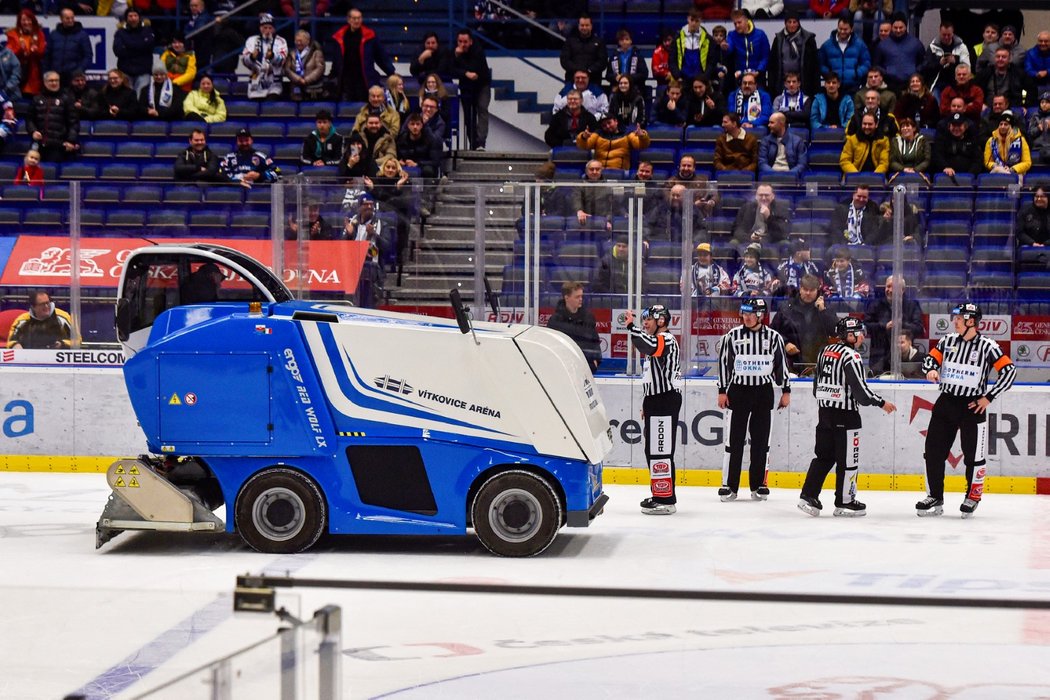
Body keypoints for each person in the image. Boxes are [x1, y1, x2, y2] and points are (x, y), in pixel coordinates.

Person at [919, 302, 1016, 518]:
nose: (955, 321)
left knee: (973, 456)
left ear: (971, 321)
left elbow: (1009, 372)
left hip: (972, 406)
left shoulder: (988, 346)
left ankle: (972, 497)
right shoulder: (947, 341)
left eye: (959, 318)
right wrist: (931, 370)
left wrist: (988, 397)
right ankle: (934, 496)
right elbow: (929, 359)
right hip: (946, 403)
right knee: (933, 451)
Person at [797, 316, 896, 517]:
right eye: (858, 332)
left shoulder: (825, 351)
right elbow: (861, 392)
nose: (862, 336)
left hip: (824, 413)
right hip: (846, 416)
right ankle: (845, 502)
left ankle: (808, 496)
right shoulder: (852, 357)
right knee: (848, 460)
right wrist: (881, 402)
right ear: (849, 335)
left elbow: (817, 387)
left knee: (823, 457)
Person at [716, 296, 790, 502]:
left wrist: (786, 390)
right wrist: (722, 390)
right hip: (738, 392)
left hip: (763, 392)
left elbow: (781, 365)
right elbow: (725, 364)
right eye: (744, 313)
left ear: (760, 315)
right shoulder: (732, 335)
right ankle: (729, 485)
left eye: (750, 314)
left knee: (761, 441)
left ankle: (758, 484)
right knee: (734, 441)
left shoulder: (774, 337)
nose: (746, 317)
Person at [624, 304, 682, 515]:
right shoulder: (656, 340)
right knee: (654, 449)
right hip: (656, 400)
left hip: (665, 400)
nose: (645, 323)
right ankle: (660, 494)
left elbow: (647, 345)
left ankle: (665, 499)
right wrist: (646, 403)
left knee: (660, 449)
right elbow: (650, 375)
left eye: (648, 319)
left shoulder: (666, 339)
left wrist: (631, 327)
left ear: (661, 321)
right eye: (643, 320)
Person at [771, 272, 838, 372]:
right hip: (791, 363)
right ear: (800, 289)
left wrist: (823, 311)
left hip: (819, 364)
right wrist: (785, 343)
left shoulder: (826, 307)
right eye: (805, 289)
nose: (808, 293)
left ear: (817, 290)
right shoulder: (786, 307)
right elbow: (772, 332)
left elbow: (835, 332)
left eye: (811, 290)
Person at [863, 275, 924, 375]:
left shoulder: (912, 305)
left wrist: (902, 325)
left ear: (902, 290)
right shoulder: (875, 305)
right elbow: (865, 327)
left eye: (894, 287)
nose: (890, 290)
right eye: (888, 286)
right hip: (879, 357)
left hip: (905, 359)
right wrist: (884, 326)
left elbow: (919, 329)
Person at [332, 7, 393, 102]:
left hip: (365, 80)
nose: (357, 21)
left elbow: (380, 56)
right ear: (348, 20)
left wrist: (391, 72)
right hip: (346, 80)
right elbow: (337, 59)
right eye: (354, 18)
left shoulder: (370, 36)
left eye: (359, 18)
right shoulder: (339, 36)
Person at [547, 281, 601, 372]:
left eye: (581, 296)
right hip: (563, 367)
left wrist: (596, 361)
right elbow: (551, 345)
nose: (580, 299)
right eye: (577, 297)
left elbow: (594, 341)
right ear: (567, 298)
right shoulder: (555, 321)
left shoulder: (588, 317)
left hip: (586, 366)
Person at [452, 29, 491, 151]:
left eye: (465, 42)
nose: (462, 45)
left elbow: (475, 70)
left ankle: (481, 142)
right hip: (466, 86)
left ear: (471, 42)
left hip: (482, 85)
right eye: (460, 41)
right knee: (469, 116)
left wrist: (462, 68)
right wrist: (465, 72)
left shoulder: (478, 51)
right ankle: (473, 144)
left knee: (482, 108)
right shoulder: (455, 52)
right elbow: (451, 69)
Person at [27, 71, 78, 162]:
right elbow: (29, 119)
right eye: (51, 81)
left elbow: (73, 122)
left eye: (56, 80)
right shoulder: (37, 99)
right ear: (45, 82)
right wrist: (33, 131)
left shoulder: (66, 99)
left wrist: (71, 140)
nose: (54, 83)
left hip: (58, 146)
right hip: (39, 145)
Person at [768, 11, 819, 98]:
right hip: (782, 84)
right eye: (789, 22)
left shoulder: (808, 39)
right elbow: (773, 65)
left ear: (799, 23)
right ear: (785, 23)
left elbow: (815, 65)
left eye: (794, 22)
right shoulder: (778, 39)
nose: (792, 25)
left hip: (804, 84)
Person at [575, 114, 650, 171]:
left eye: (609, 123)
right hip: (600, 172)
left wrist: (642, 136)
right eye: (604, 125)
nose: (607, 126)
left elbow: (641, 145)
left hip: (619, 172)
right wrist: (583, 137)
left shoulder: (627, 133)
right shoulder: (598, 134)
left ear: (616, 121)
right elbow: (584, 146)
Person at [818, 16, 871, 94]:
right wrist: (829, 74)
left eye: (845, 29)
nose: (842, 31)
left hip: (853, 87)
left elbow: (866, 63)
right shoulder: (827, 45)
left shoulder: (860, 45)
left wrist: (857, 73)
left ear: (851, 29)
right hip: (833, 88)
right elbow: (820, 64)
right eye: (840, 28)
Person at [241, 13, 287, 101]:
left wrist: (272, 56)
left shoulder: (281, 41)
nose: (267, 31)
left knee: (271, 105)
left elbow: (282, 59)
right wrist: (251, 57)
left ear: (274, 29)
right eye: (265, 28)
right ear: (260, 28)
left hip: (274, 84)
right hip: (256, 84)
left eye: (270, 28)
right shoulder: (251, 40)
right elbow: (244, 60)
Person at [7, 291, 74, 349]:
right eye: (42, 304)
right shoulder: (22, 320)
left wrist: (62, 344)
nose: (46, 306)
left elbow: (77, 340)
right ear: (33, 307)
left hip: (58, 356)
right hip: (29, 357)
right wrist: (15, 345)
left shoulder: (63, 317)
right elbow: (11, 341)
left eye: (47, 303)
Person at [873, 13, 923, 92]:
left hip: (910, 85)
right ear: (891, 27)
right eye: (895, 27)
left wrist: (915, 71)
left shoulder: (916, 44)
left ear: (906, 27)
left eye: (901, 27)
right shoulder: (882, 45)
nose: (898, 30)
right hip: (889, 85)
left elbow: (922, 62)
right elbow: (876, 64)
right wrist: (886, 72)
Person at [43, 9, 91, 86]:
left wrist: (79, 71)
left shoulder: (82, 35)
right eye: (67, 18)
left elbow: (88, 56)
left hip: (73, 76)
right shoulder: (54, 34)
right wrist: (46, 72)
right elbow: (47, 55)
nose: (70, 20)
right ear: (61, 19)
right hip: (56, 75)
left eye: (72, 18)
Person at [112, 8, 155, 94]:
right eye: (130, 16)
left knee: (141, 99)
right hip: (125, 71)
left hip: (143, 71)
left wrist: (128, 46)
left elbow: (149, 47)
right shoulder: (120, 33)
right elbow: (118, 51)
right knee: (126, 99)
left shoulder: (147, 30)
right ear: (126, 18)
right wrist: (140, 47)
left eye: (135, 16)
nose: (133, 18)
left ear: (139, 17)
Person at [922, 20, 970, 95]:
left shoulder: (961, 47)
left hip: (955, 84)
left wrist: (955, 62)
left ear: (953, 33)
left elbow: (967, 67)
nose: (946, 37)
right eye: (944, 35)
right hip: (937, 83)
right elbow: (926, 67)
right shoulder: (932, 47)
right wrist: (939, 63)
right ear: (939, 33)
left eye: (949, 35)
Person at [6, 9, 46, 98]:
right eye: (23, 20)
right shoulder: (12, 34)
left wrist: (36, 51)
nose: (26, 22)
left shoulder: (39, 34)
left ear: (33, 20)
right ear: (19, 21)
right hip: (17, 71)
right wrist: (21, 48)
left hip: (34, 73)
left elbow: (42, 52)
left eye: (29, 19)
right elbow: (10, 54)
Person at [932, 112, 981, 179]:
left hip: (969, 178)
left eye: (959, 125)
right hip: (946, 176)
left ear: (965, 126)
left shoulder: (972, 140)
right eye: (954, 125)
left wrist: (970, 175)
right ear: (949, 126)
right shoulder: (942, 139)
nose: (956, 128)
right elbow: (937, 156)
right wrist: (945, 167)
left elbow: (977, 160)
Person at [727, 9, 770, 88]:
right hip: (740, 76)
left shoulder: (760, 35)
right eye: (735, 23)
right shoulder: (732, 35)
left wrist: (759, 71)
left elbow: (765, 56)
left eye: (739, 22)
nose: (737, 25)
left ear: (747, 21)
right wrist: (726, 48)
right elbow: (729, 50)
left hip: (758, 76)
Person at [559, 13, 605, 85]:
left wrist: (589, 71)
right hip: (572, 81)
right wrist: (578, 70)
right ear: (578, 26)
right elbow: (564, 61)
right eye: (582, 25)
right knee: (562, 96)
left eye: (587, 25)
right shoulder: (570, 41)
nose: (584, 27)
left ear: (591, 26)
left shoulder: (599, 42)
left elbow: (603, 62)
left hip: (594, 81)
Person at [758, 112, 808, 178]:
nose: (768, 125)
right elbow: (762, 162)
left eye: (772, 122)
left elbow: (802, 164)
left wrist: (789, 175)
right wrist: (774, 175)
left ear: (781, 124)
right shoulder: (766, 141)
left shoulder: (797, 141)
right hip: (771, 176)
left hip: (790, 177)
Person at [977, 47, 1026, 112]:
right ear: (994, 58)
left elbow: (1029, 91)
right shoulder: (985, 73)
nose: (1000, 59)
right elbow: (976, 90)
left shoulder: (1019, 73)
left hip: (1011, 108)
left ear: (1009, 59)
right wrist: (981, 103)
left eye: (1003, 57)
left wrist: (1024, 105)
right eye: (998, 57)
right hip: (988, 108)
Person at [668, 10, 711, 86]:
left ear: (701, 20)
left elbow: (712, 61)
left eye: (697, 21)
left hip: (701, 81)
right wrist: (677, 76)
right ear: (688, 19)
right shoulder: (677, 38)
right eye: (692, 20)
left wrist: (705, 77)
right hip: (682, 80)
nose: (694, 23)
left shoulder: (708, 39)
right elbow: (672, 60)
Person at [983, 111, 1030, 177]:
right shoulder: (991, 141)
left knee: (1017, 178)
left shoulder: (1021, 140)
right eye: (1001, 124)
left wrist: (1012, 169)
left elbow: (1027, 162)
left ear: (1011, 126)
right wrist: (996, 166)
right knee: (996, 171)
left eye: (1006, 124)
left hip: (1016, 172)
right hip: (998, 170)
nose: (1002, 126)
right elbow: (987, 162)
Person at [396, 112, 441, 179]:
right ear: (408, 125)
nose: (415, 127)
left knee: (428, 170)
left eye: (417, 124)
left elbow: (435, 161)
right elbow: (397, 156)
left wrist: (417, 164)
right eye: (412, 124)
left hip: (423, 166)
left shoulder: (430, 139)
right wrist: (398, 161)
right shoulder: (401, 139)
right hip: (405, 166)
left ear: (422, 125)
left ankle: (430, 189)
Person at [284, 30, 325, 101]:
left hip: (312, 89)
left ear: (308, 41)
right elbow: (287, 70)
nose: (298, 43)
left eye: (301, 41)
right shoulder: (292, 54)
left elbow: (320, 69)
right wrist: (298, 79)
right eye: (297, 41)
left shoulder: (316, 53)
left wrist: (306, 80)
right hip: (296, 89)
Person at [605, 28, 648, 94]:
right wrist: (615, 77)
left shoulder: (638, 55)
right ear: (619, 42)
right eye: (622, 40)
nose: (624, 42)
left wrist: (628, 78)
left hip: (635, 89)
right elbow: (608, 75)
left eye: (627, 39)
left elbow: (644, 74)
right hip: (617, 88)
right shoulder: (613, 57)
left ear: (631, 41)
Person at [1027, 91, 1050, 165]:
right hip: (1038, 147)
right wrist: (1038, 128)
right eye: (1042, 102)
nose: (1044, 104)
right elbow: (1029, 134)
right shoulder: (1035, 116)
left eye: (1047, 102)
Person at [1025, 31, 1050, 97]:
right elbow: (1028, 69)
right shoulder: (1030, 53)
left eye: (1046, 41)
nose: (1043, 43)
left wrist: (1047, 72)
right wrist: (1036, 74)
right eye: (1040, 41)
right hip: (1034, 85)